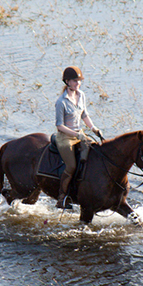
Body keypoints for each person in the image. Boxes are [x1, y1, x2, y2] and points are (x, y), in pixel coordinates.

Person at [54, 66, 103, 209]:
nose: (78, 84)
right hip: (65, 138)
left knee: (95, 153)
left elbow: (84, 114)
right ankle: (62, 198)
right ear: (67, 81)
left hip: (79, 134)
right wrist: (77, 135)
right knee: (71, 166)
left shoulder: (81, 95)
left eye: (79, 81)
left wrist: (93, 128)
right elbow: (59, 126)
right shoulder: (61, 102)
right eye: (75, 81)